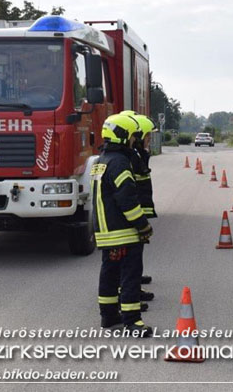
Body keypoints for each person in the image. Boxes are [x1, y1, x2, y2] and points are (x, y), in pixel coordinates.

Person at [92, 113, 154, 336]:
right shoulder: (120, 163)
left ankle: (108, 316)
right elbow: (127, 200)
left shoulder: (102, 160)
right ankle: (132, 321)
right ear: (124, 136)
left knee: (109, 274)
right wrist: (143, 225)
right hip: (124, 232)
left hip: (106, 232)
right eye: (132, 137)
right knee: (130, 275)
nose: (134, 141)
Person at [120, 110, 158, 293]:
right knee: (130, 256)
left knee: (136, 252)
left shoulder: (138, 154)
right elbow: (130, 191)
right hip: (131, 215)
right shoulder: (132, 157)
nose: (150, 139)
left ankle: (134, 283)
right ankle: (131, 290)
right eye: (148, 136)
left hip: (136, 212)